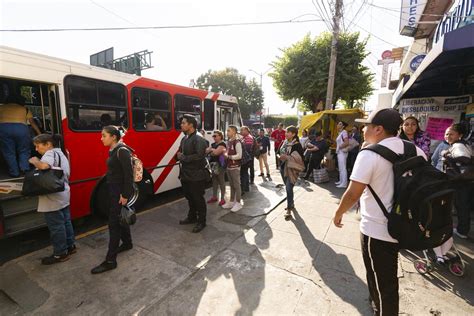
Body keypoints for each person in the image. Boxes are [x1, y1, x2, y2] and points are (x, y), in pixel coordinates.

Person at [333, 108, 426, 316]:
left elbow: (352, 193)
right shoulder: (417, 151)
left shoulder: (369, 154)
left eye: (366, 125)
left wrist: (338, 213)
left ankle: (381, 310)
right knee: (386, 280)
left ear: (378, 129)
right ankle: (378, 306)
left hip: (377, 230)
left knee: (383, 283)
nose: (363, 129)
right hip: (407, 225)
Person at [91, 126, 135, 274]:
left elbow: (128, 176)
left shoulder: (122, 151)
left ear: (114, 137)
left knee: (113, 224)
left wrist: (125, 195)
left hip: (119, 192)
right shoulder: (114, 150)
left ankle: (110, 261)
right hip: (113, 190)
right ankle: (128, 243)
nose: (101, 138)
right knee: (119, 217)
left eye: (104, 136)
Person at [28, 134, 75, 265]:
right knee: (66, 222)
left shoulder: (49, 154)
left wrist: (34, 161)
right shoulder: (61, 154)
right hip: (63, 193)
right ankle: (70, 246)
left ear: (48, 144)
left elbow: (44, 166)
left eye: (38, 146)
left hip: (52, 197)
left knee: (56, 226)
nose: (36, 149)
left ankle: (60, 254)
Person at [176, 115, 209, 233]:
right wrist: (179, 156)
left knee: (198, 199)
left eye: (184, 123)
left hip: (197, 175)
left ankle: (202, 221)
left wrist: (183, 157)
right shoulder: (184, 138)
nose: (181, 125)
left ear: (191, 125)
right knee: (190, 197)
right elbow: (180, 152)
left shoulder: (199, 139)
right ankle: (192, 217)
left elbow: (200, 156)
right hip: (186, 175)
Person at [443, 123, 473, 239]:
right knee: (463, 206)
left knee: (461, 206)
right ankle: (462, 229)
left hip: (461, 181)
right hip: (465, 181)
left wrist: (447, 156)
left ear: (459, 135)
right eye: (446, 134)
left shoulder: (458, 146)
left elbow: (465, 158)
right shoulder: (464, 144)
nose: (448, 136)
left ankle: (462, 231)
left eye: (451, 134)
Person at [0, 94, 41, 177]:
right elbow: (32, 123)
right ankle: (24, 169)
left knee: (8, 152)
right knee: (24, 150)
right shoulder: (25, 109)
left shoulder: (1, 108)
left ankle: (14, 172)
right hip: (21, 129)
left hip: (4, 129)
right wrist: (39, 133)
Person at [278, 126, 304, 219]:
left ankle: (289, 209)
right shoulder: (284, 142)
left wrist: (288, 157)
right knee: (288, 188)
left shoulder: (297, 145)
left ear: (294, 134)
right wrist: (279, 157)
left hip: (292, 170)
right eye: (286, 132)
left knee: (289, 188)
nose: (286, 133)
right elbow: (278, 152)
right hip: (282, 168)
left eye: (288, 132)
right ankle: (291, 203)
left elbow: (301, 159)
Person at [223, 125, 243, 212]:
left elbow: (239, 155)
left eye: (229, 131)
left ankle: (238, 203)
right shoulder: (229, 141)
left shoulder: (237, 142)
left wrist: (229, 157)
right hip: (229, 166)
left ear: (234, 132)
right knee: (231, 185)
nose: (227, 132)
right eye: (227, 131)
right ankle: (231, 201)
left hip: (235, 167)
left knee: (237, 185)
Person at [206, 130, 227, 206]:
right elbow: (206, 151)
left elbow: (215, 153)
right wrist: (212, 151)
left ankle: (222, 199)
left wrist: (211, 150)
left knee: (221, 182)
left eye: (215, 136)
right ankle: (214, 197)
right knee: (214, 181)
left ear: (220, 136)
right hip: (214, 165)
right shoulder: (214, 144)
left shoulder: (222, 144)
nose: (214, 137)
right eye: (213, 136)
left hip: (220, 165)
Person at [240, 126, 256, 191]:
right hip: (247, 158)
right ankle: (246, 187)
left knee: (244, 172)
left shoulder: (248, 138)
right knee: (245, 172)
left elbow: (247, 149)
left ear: (246, 130)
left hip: (246, 158)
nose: (241, 132)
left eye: (242, 130)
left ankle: (245, 187)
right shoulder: (244, 138)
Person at [335, 121, 350, 188]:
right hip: (340, 152)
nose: (338, 124)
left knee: (343, 168)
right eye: (338, 123)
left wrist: (339, 147)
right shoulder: (340, 133)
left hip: (342, 152)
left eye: (340, 124)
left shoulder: (344, 132)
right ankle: (341, 181)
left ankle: (344, 184)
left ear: (343, 126)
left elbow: (347, 142)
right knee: (341, 168)